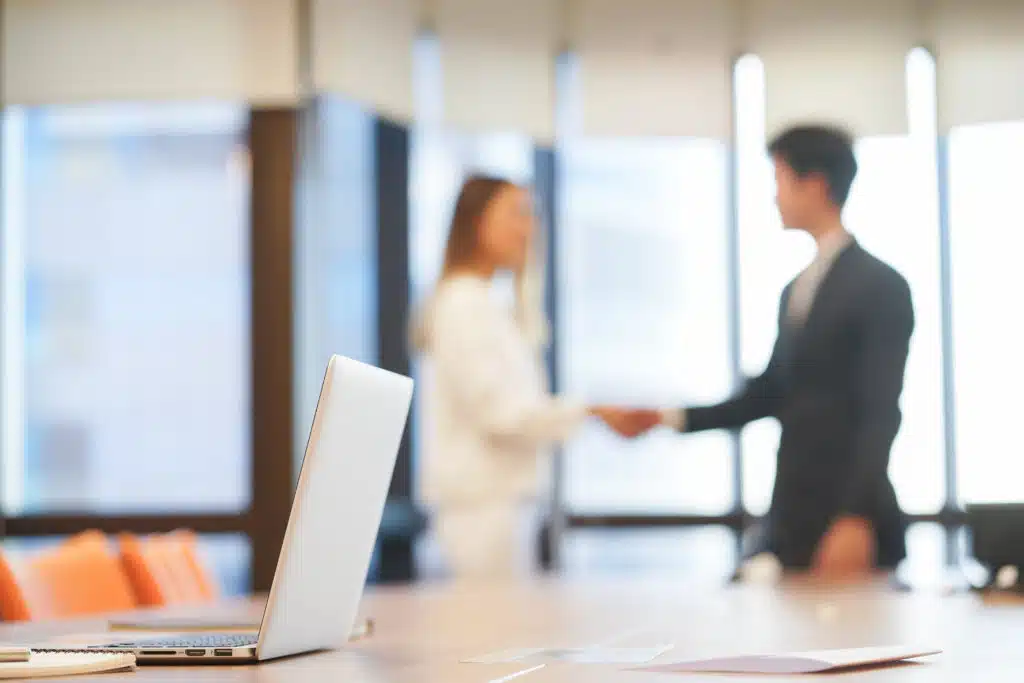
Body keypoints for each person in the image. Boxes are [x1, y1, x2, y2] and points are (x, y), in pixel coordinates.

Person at [661, 124, 915, 578]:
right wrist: (669, 417)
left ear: (814, 184)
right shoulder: (795, 290)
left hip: (847, 519)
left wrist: (854, 519)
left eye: (778, 181)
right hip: (793, 515)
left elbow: (881, 412)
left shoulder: (881, 285)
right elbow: (773, 395)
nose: (774, 197)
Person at [414, 174, 660, 580]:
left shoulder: (490, 304)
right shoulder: (463, 303)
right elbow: (501, 414)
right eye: (516, 214)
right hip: (480, 512)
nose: (528, 229)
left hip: (500, 508)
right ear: (477, 223)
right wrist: (590, 411)